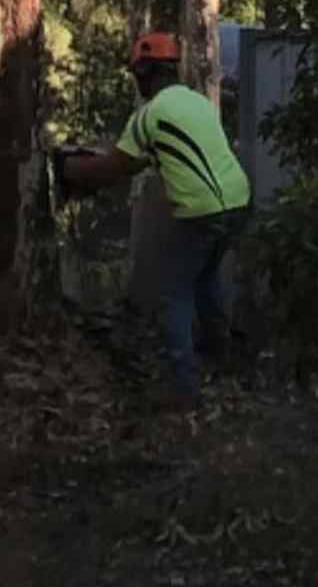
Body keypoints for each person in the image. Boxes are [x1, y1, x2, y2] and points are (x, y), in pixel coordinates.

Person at [59, 31, 253, 396]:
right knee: (206, 277)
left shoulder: (150, 115)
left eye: (136, 76)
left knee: (174, 293)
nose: (137, 83)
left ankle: (183, 387)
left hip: (202, 212)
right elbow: (148, 158)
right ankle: (220, 355)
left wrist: (65, 168)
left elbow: (114, 168)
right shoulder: (196, 103)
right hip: (239, 202)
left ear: (145, 73)